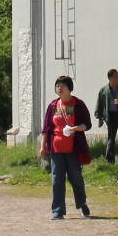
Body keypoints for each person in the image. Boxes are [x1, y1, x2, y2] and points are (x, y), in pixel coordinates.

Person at [39, 75, 93, 220]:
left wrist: (75, 128)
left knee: (76, 178)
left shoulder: (78, 104)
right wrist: (42, 146)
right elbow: (46, 129)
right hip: (56, 149)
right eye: (57, 86)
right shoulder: (52, 106)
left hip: (73, 149)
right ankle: (58, 211)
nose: (59, 88)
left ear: (69, 88)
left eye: (62, 85)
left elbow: (87, 125)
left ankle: (82, 204)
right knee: (57, 180)